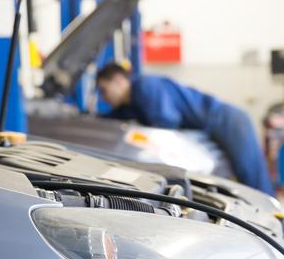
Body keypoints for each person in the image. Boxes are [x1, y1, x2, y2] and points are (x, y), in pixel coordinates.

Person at [96, 63, 274, 195]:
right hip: (214, 125)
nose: (104, 98)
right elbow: (115, 117)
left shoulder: (146, 86)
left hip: (228, 120)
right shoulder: (132, 103)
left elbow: (167, 120)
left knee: (252, 177)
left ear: (119, 80)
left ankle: (272, 220)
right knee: (239, 178)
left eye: (104, 90)